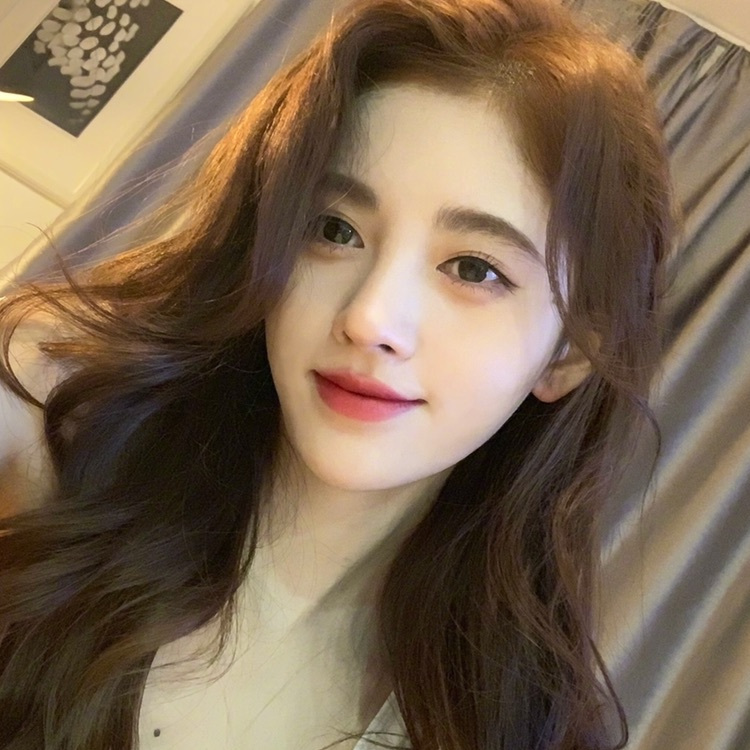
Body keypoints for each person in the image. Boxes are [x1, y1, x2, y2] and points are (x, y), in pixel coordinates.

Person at [0, 0, 676, 748]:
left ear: (569, 353)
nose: (370, 318)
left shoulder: (512, 726)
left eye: (473, 269)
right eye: (334, 230)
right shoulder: (47, 448)